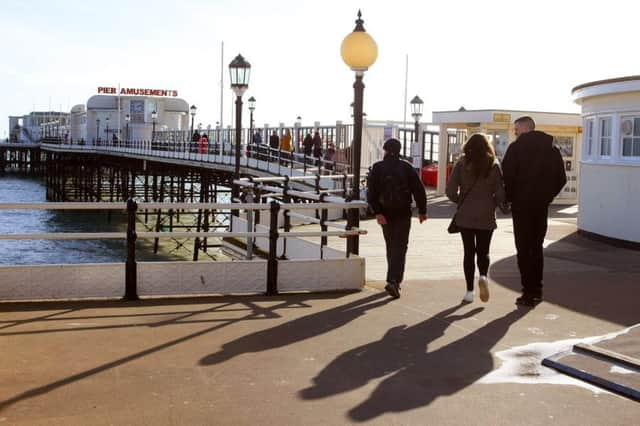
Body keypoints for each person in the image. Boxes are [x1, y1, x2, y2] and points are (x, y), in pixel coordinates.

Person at [502, 116, 567, 307]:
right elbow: (561, 178)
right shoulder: (552, 150)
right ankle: (537, 289)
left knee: (523, 248)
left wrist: (511, 197)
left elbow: (507, 176)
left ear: (525, 128)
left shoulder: (515, 149)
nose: (515, 133)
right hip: (541, 206)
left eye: (516, 129)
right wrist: (547, 197)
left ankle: (527, 292)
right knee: (536, 247)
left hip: (521, 207)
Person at [446, 134, 506, 304]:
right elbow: (500, 193)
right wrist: (492, 203)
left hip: (466, 215)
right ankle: (483, 276)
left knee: (468, 252)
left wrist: (460, 201)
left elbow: (450, 191)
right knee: (484, 251)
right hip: (486, 215)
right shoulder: (493, 164)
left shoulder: (461, 164)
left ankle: (469, 292)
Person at [367, 138, 428, 299]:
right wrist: (422, 211)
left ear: (385, 150)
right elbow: (419, 190)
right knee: (400, 247)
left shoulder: (378, 168)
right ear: (399, 150)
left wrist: (377, 212)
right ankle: (394, 280)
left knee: (391, 245)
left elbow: (371, 193)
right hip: (403, 212)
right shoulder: (406, 167)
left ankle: (393, 279)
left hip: (385, 213)